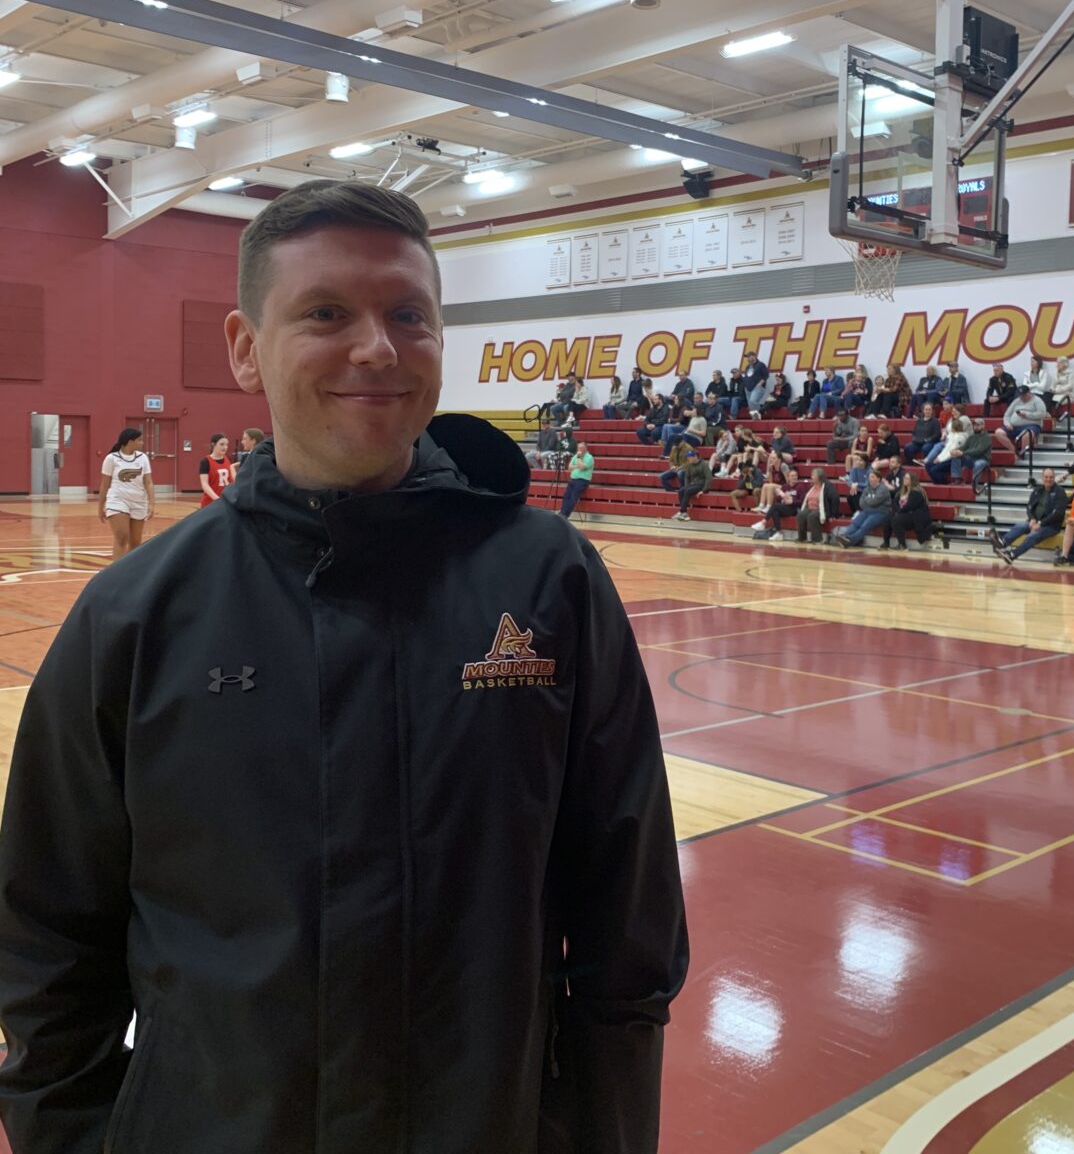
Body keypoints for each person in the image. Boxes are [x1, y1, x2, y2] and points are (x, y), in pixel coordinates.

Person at [0, 181, 687, 1152]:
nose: (377, 346)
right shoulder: (134, 614)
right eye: (326, 312)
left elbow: (628, 917)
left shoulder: (549, 580)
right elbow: (46, 938)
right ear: (244, 345)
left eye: (408, 314)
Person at [97, 427, 154, 559]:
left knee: (135, 542)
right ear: (130, 441)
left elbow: (148, 482)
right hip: (117, 499)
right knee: (122, 537)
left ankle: (130, 572)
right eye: (139, 440)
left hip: (138, 500)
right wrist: (101, 507)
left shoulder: (143, 458)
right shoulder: (111, 458)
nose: (142, 443)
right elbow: (105, 484)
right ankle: (116, 574)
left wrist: (151, 503)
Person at [993, 468, 1067, 563]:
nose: (1048, 479)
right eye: (1046, 477)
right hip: (1035, 521)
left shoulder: (1060, 492)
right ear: (1042, 478)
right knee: (1020, 526)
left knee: (1033, 535)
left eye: (1051, 477)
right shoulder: (1037, 490)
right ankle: (1002, 543)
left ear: (1054, 478)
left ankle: (1012, 555)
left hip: (1051, 526)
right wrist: (1032, 518)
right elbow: (1029, 507)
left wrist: (1040, 524)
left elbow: (1058, 513)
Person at [888, 472, 947, 550]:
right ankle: (886, 542)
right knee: (888, 518)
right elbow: (894, 503)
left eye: (907, 478)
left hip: (916, 516)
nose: (904, 480)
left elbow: (909, 506)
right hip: (904, 514)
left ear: (912, 480)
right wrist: (896, 511)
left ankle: (902, 545)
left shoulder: (917, 492)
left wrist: (898, 512)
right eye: (904, 478)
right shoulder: (901, 492)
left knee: (897, 519)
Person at [833, 469, 893, 547]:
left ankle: (850, 540)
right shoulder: (867, 488)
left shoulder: (883, 489)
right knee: (856, 523)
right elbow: (861, 503)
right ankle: (843, 536)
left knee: (865, 526)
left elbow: (874, 502)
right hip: (867, 510)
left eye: (872, 477)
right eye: (869, 477)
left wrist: (867, 499)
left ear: (878, 478)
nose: (870, 479)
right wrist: (869, 501)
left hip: (880, 512)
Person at [994, 386, 1045, 457]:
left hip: (1031, 425)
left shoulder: (1037, 401)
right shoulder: (1016, 401)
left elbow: (1042, 414)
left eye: (1024, 395)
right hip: (1014, 426)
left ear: (1029, 393)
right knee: (998, 432)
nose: (1022, 397)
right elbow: (1007, 415)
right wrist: (1007, 424)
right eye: (1020, 395)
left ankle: (1023, 453)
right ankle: (1014, 452)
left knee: (1027, 435)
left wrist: (1027, 415)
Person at [754, 465, 801, 541]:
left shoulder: (800, 487)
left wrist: (792, 501)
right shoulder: (785, 487)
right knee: (775, 511)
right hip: (785, 507)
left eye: (795, 476)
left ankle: (763, 522)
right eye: (792, 476)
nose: (794, 477)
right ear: (788, 478)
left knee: (774, 506)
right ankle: (779, 533)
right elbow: (779, 499)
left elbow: (802, 501)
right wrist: (781, 496)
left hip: (794, 508)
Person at [795, 467, 841, 543]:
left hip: (822, 509)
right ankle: (802, 538)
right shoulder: (811, 486)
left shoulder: (827, 486)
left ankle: (817, 539)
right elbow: (805, 498)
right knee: (801, 515)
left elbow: (835, 498)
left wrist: (833, 514)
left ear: (819, 476)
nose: (811, 477)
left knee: (812, 516)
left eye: (813, 475)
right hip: (810, 508)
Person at [671, 449, 712, 521]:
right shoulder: (690, 465)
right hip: (694, 484)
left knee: (687, 491)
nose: (688, 459)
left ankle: (682, 512)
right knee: (681, 491)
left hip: (702, 484)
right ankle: (684, 513)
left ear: (695, 457)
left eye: (690, 457)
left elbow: (708, 478)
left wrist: (703, 490)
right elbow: (686, 476)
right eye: (688, 457)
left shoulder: (704, 464)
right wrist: (686, 485)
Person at [559, 439, 594, 517]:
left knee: (573, 497)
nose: (579, 450)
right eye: (578, 448)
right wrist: (577, 465)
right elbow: (569, 467)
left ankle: (565, 515)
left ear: (586, 449)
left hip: (582, 481)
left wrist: (578, 458)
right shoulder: (575, 456)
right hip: (573, 479)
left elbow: (582, 467)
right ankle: (562, 512)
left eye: (581, 448)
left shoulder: (589, 457)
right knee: (566, 496)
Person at [199, 433, 235, 506]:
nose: (225, 447)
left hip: (226, 501)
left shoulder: (228, 459)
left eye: (226, 444)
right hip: (211, 502)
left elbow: (232, 480)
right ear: (213, 444)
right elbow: (204, 484)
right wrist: (217, 499)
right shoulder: (205, 461)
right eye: (222, 444)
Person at [742, 350, 770, 417]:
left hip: (757, 387)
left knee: (753, 401)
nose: (748, 359)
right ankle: (755, 417)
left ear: (754, 356)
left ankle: (759, 413)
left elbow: (766, 375)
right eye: (747, 357)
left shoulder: (760, 365)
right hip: (748, 388)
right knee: (751, 405)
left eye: (749, 357)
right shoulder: (748, 367)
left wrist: (760, 383)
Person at [842, 451, 871, 515]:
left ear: (865, 461)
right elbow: (850, 481)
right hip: (857, 490)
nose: (858, 462)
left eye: (861, 460)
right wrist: (853, 484)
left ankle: (860, 513)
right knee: (850, 496)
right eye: (857, 460)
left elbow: (868, 484)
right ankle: (855, 513)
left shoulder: (870, 470)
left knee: (856, 495)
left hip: (867, 491)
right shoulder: (854, 469)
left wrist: (857, 484)